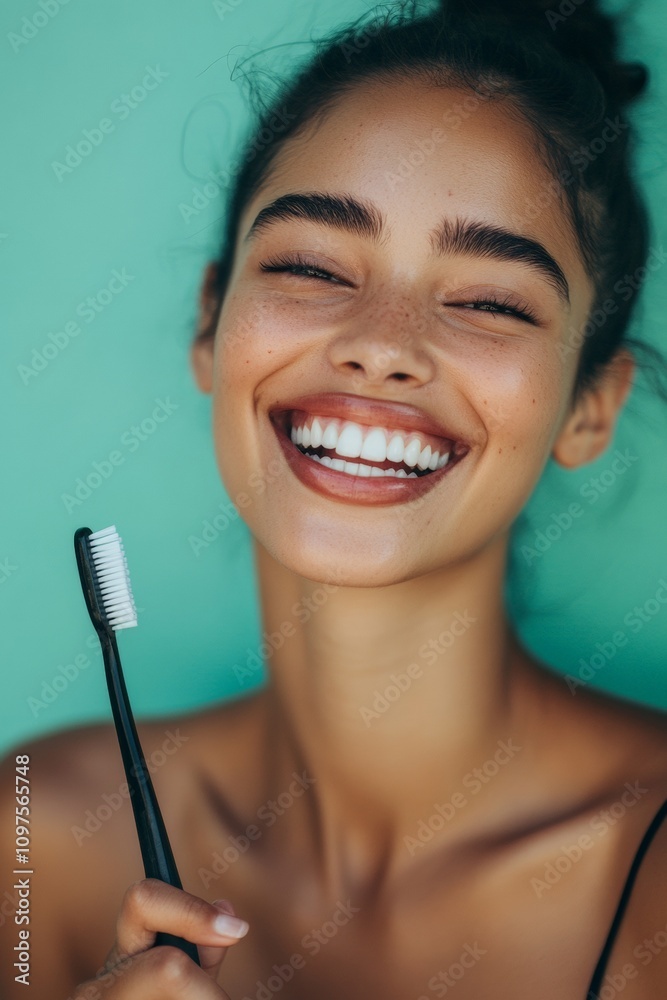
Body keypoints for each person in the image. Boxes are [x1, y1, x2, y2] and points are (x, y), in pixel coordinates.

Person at [2, 0, 667, 997]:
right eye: (311, 266)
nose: (381, 342)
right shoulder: (34, 838)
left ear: (588, 407)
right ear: (211, 321)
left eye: (488, 299)